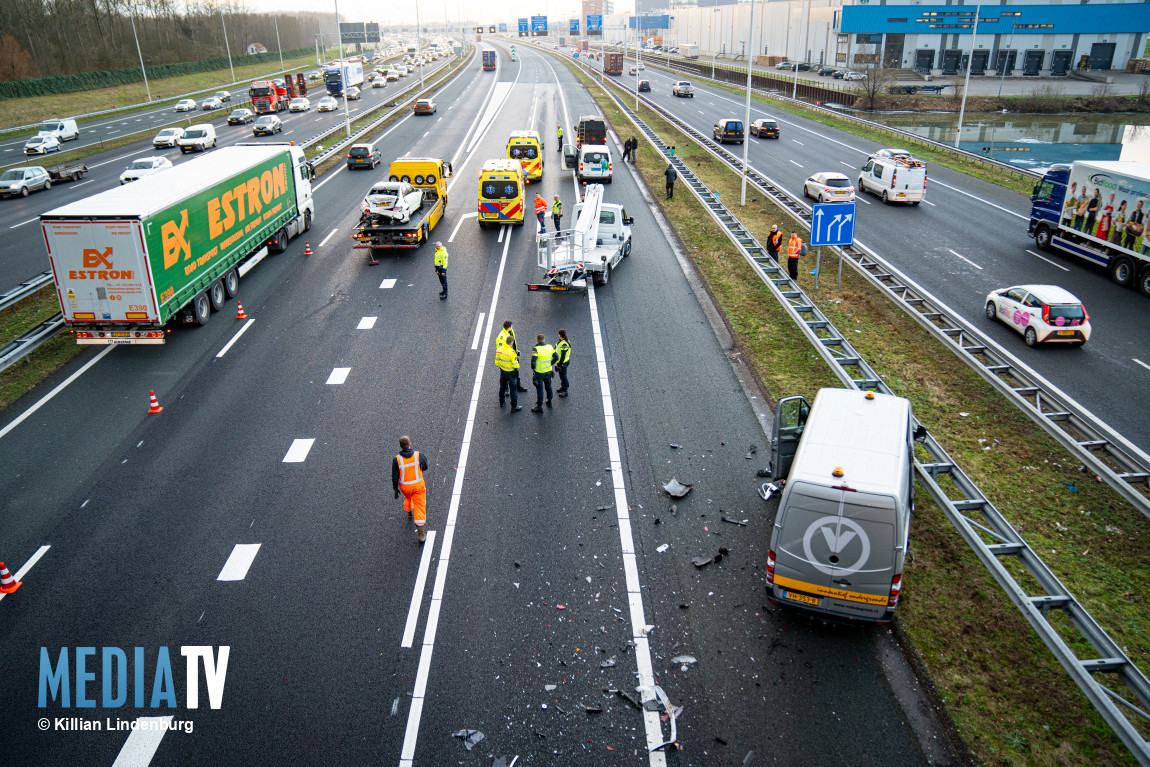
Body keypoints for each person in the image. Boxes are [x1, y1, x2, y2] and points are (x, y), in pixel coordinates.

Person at [393, 436, 429, 542]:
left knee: (408, 498)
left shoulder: (397, 459)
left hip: (405, 488)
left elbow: (395, 477)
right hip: (418, 487)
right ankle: (421, 535)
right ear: (410, 444)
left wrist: (395, 489)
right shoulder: (418, 455)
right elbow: (425, 466)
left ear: (400, 446)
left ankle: (409, 511)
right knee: (420, 507)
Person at [497, 320, 530, 393]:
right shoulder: (501, 337)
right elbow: (500, 349)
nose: (512, 327)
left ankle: (518, 386)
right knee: (504, 373)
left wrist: (515, 350)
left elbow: (513, 343)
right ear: (509, 327)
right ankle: (505, 389)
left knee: (516, 372)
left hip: (513, 354)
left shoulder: (511, 331)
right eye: (511, 326)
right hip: (507, 357)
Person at [530, 334, 559, 412]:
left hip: (539, 373)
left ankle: (539, 406)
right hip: (548, 372)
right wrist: (550, 364)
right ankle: (549, 401)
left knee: (540, 389)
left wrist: (533, 368)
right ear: (544, 340)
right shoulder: (550, 347)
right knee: (548, 387)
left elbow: (533, 362)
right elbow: (556, 357)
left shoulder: (535, 349)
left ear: (537, 340)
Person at [496, 338, 522, 411]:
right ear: (512, 343)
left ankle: (501, 401)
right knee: (513, 389)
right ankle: (514, 406)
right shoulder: (512, 352)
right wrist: (518, 364)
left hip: (503, 371)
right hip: (510, 373)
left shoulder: (499, 349)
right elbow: (515, 365)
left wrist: (500, 367)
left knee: (502, 387)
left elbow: (497, 361)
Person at [555, 329, 571, 397]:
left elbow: (563, 356)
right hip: (560, 362)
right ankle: (563, 386)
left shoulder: (564, 344)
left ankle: (565, 390)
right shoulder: (561, 341)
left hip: (563, 362)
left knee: (563, 376)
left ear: (560, 335)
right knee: (561, 375)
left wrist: (559, 364)